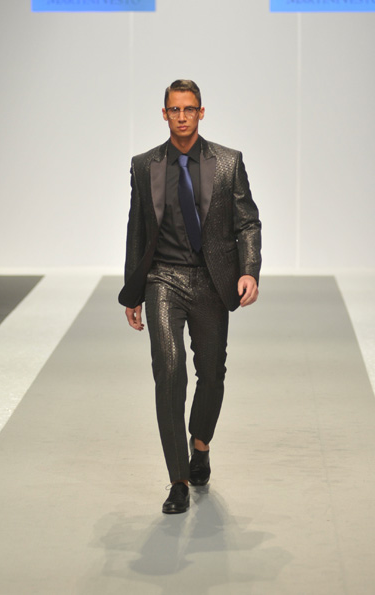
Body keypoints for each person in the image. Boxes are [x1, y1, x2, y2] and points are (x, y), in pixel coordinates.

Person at [118, 79, 261, 514]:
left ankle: (200, 444)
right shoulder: (144, 165)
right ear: (164, 114)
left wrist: (249, 271)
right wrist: (132, 292)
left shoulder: (228, 162)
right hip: (163, 279)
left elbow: (247, 222)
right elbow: (137, 230)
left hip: (212, 281)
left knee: (211, 374)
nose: (182, 116)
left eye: (189, 109)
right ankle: (178, 479)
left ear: (201, 112)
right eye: (175, 109)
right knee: (169, 369)